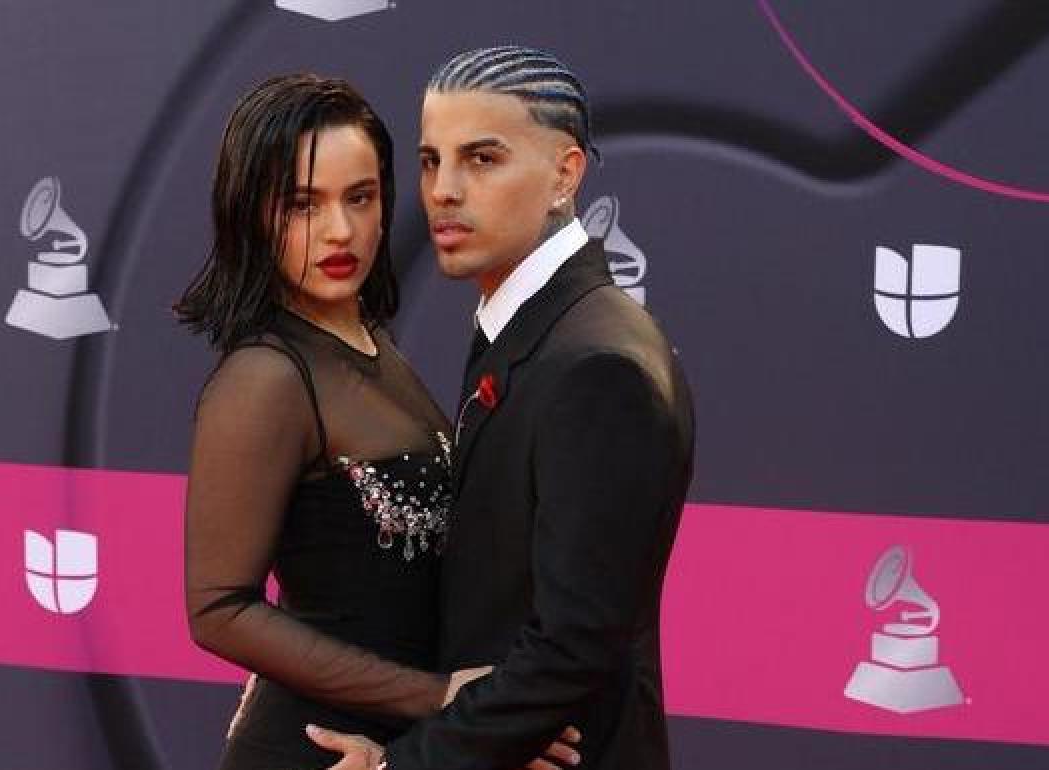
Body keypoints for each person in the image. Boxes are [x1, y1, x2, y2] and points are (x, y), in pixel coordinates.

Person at [177, 73, 580, 770]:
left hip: (396, 744)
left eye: (359, 198)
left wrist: (483, 714)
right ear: (251, 214)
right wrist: (436, 696)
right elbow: (218, 608)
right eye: (303, 205)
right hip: (317, 749)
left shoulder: (370, 340)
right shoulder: (266, 378)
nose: (340, 231)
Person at [308, 46, 696, 770]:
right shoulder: (528, 329)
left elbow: (571, 647)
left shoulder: (598, 363)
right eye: (430, 161)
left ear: (565, 174)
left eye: (481, 160)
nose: (443, 192)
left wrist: (403, 764)